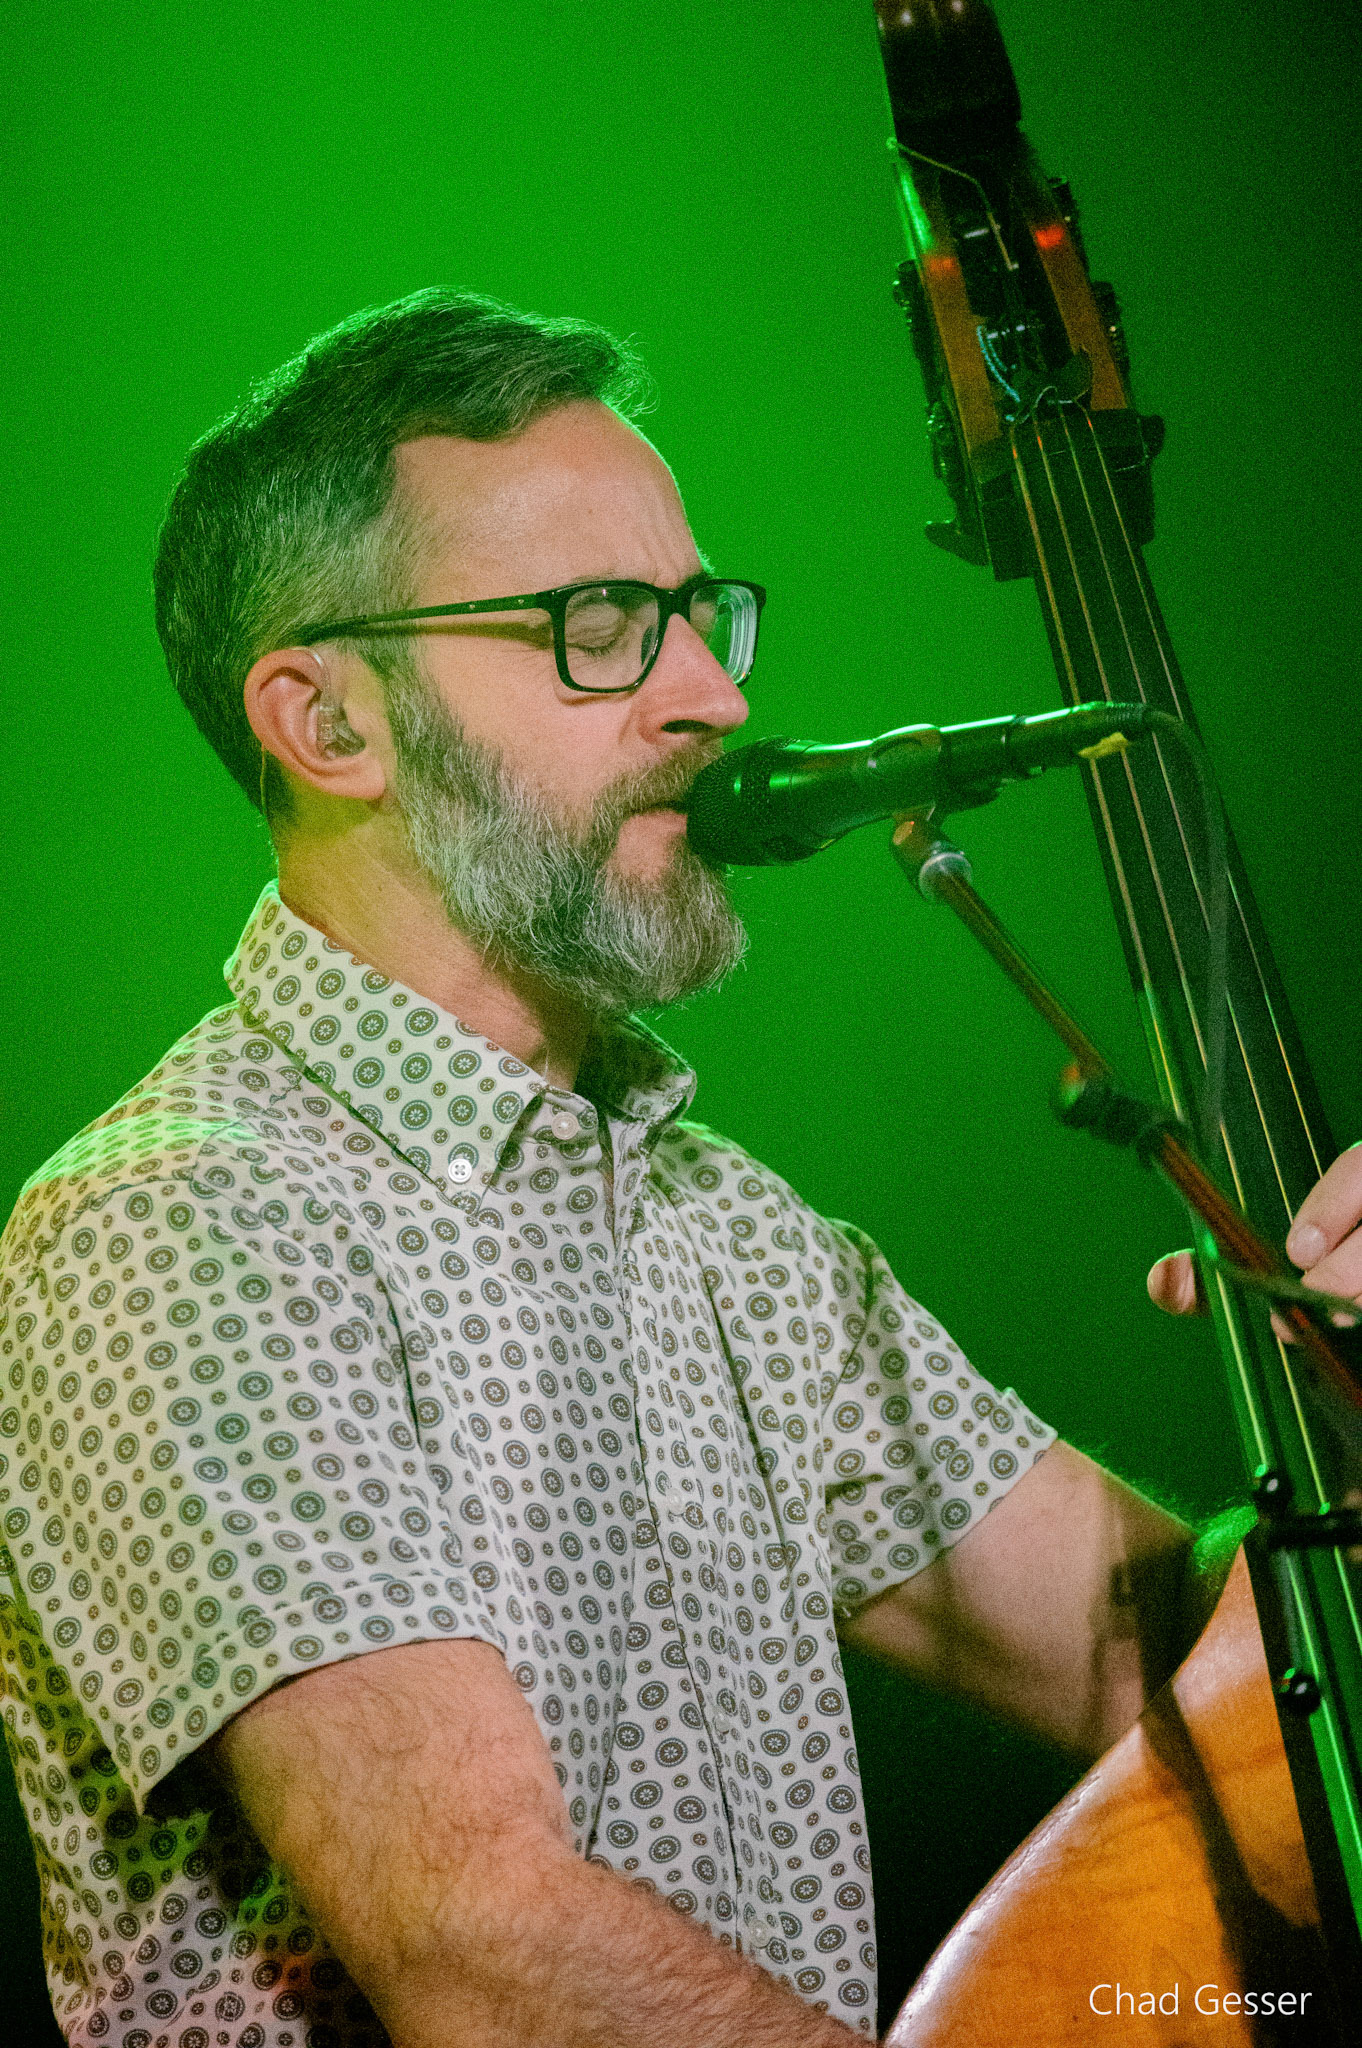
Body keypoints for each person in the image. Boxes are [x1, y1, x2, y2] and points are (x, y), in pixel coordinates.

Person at [0, 289, 1357, 2048]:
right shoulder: (179, 1226)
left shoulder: (723, 1229)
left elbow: (1191, 1674)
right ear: (327, 723)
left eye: (700, 615)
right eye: (597, 628)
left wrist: (1342, 1418)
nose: (713, 694)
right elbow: (478, 1952)